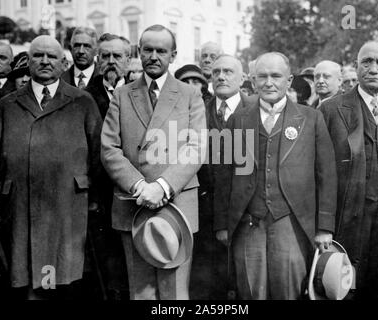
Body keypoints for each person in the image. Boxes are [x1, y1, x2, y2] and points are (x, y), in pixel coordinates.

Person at [214, 52, 337, 300]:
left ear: (289, 80)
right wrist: (222, 224)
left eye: (276, 76)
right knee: (250, 290)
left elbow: (326, 174)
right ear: (252, 80)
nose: (269, 82)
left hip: (291, 222)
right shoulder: (238, 120)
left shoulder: (311, 118)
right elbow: (224, 175)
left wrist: (324, 227)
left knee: (289, 290)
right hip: (249, 223)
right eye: (263, 76)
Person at [101, 24, 207, 300]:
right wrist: (139, 186)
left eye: (161, 51)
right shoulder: (123, 95)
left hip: (176, 203)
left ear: (173, 55)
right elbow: (109, 148)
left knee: (175, 293)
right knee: (141, 292)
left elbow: (196, 148)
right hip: (133, 202)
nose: (153, 56)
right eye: (147, 50)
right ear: (139, 51)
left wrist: (161, 186)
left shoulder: (189, 95)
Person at [0, 35, 102, 299]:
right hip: (19, 206)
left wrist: (93, 198)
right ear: (27, 62)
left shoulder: (82, 102)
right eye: (38, 56)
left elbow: (99, 157)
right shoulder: (7, 105)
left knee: (59, 279)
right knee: (29, 278)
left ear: (64, 63)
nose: (44, 61)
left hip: (68, 207)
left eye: (51, 56)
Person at [320, 40, 378, 300]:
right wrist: (324, 225)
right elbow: (321, 172)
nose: (373, 69)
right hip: (349, 221)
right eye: (366, 62)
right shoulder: (331, 109)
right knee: (349, 288)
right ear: (356, 67)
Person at [192, 54, 253, 300]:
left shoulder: (257, 110)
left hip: (247, 214)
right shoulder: (197, 113)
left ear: (242, 78)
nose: (220, 76)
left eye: (228, 71)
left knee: (245, 285)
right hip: (205, 215)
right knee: (209, 286)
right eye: (216, 72)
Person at [85, 33, 132, 300]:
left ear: (128, 59)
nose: (111, 62)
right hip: (99, 196)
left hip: (132, 193)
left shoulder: (142, 94)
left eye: (117, 56)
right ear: (98, 59)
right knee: (103, 266)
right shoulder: (83, 97)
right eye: (106, 56)